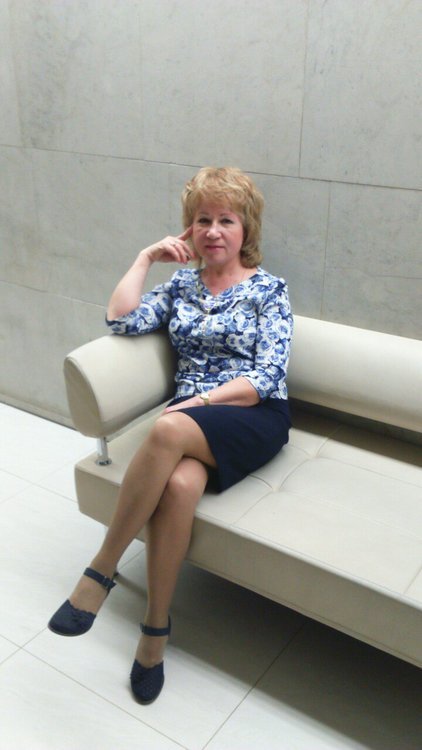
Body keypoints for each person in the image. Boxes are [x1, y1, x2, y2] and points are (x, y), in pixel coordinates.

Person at [48, 166, 293, 705]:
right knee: (180, 487)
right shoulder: (181, 285)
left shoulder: (269, 291)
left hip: (251, 413)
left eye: (226, 220)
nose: (213, 231)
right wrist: (144, 259)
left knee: (168, 426)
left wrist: (199, 402)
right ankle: (155, 631)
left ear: (246, 229)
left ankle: (101, 569)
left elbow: (267, 376)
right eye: (202, 220)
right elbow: (120, 319)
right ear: (189, 229)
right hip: (191, 423)